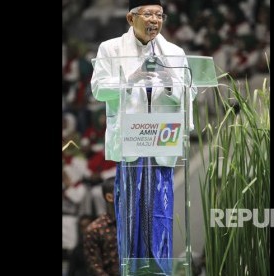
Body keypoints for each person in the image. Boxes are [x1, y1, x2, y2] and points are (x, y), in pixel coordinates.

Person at [90, 0, 197, 274]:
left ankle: (159, 269)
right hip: (131, 143)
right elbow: (99, 89)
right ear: (130, 18)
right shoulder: (111, 49)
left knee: (160, 212)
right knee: (132, 213)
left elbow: (190, 91)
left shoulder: (174, 52)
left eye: (159, 15)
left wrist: (169, 80)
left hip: (162, 141)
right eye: (148, 14)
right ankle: (133, 270)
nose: (155, 20)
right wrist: (133, 77)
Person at [83, 177, 119, 276]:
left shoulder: (136, 226)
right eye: (125, 192)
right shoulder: (95, 229)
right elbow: (94, 267)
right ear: (110, 197)